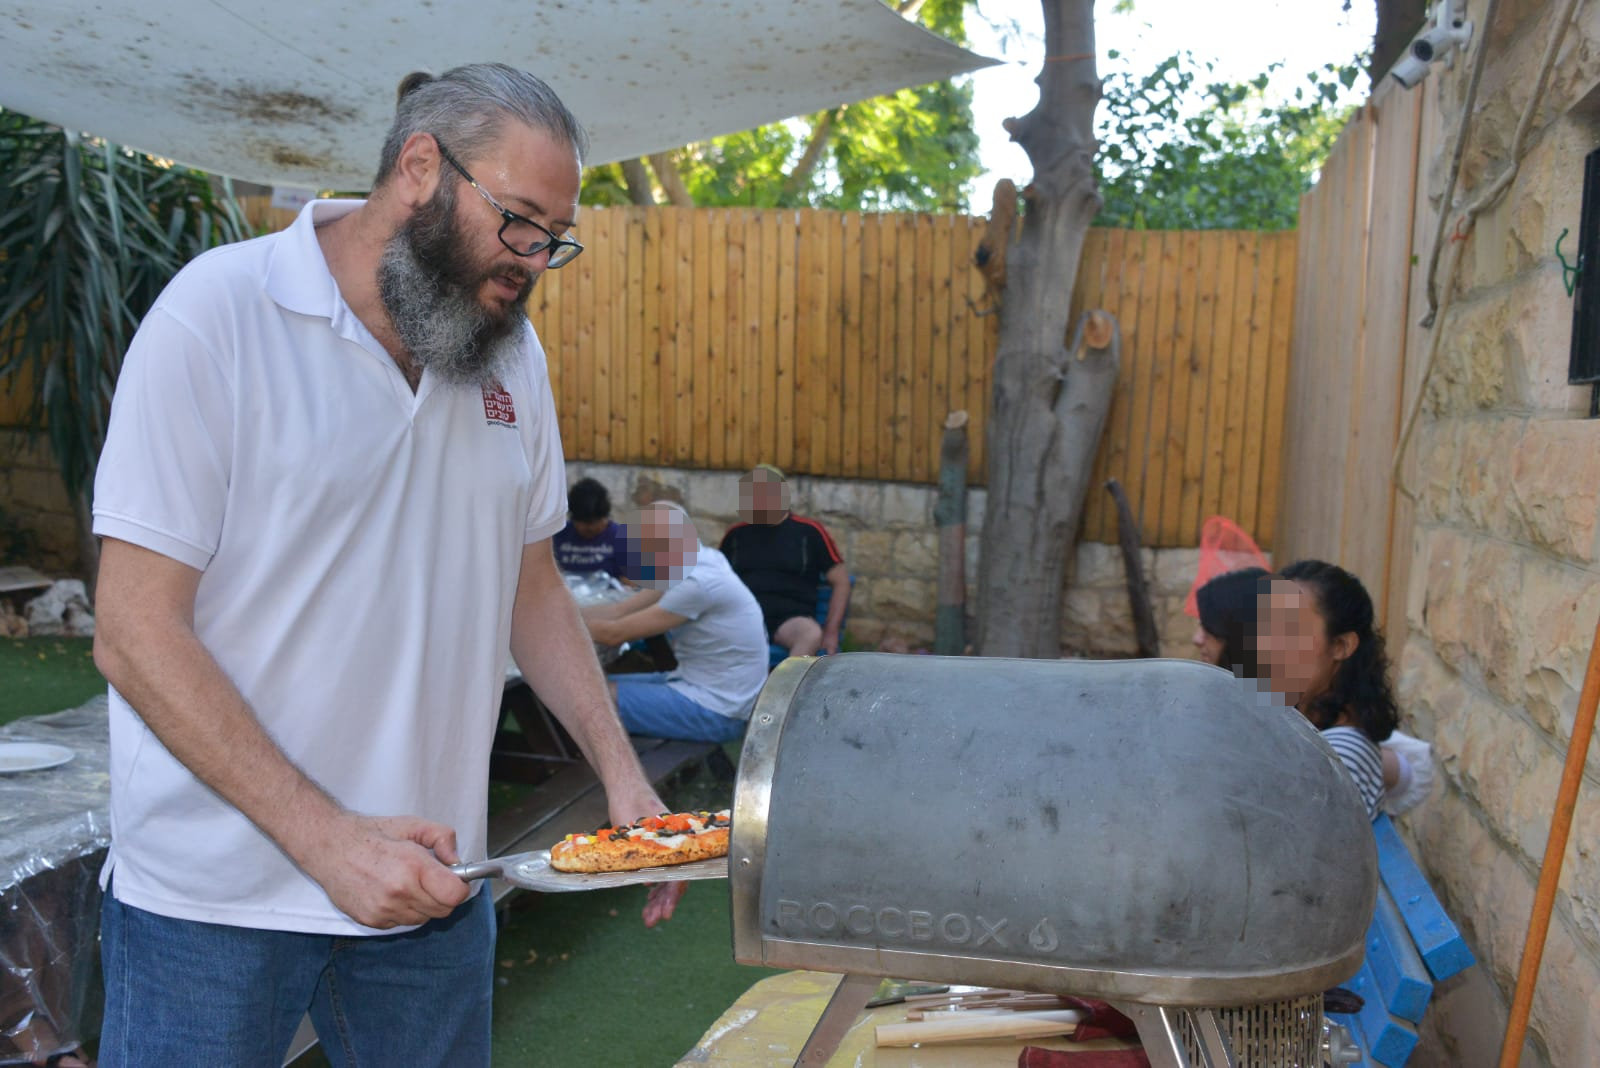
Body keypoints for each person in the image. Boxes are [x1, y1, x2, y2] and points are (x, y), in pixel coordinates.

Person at [88, 64, 681, 1067]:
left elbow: (531, 588)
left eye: (554, 237)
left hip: (436, 885)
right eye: (518, 221)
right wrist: (328, 840)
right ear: (419, 169)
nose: (534, 260)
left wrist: (623, 779)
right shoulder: (218, 314)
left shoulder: (509, 356)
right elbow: (132, 630)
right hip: (214, 900)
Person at [581, 503, 769, 743]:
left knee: (588, 697)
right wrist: (565, 612)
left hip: (719, 711)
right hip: (716, 693)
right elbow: (621, 610)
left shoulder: (696, 582)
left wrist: (557, 625)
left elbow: (614, 634)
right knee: (593, 686)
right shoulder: (702, 558)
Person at [719, 465, 851, 657]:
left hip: (791, 620)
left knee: (811, 634)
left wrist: (831, 632)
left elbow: (841, 581)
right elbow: (717, 579)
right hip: (744, 617)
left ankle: (788, 678)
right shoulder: (736, 535)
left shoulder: (809, 532)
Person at [552, 476, 627, 577]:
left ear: (605, 517)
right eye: (585, 523)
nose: (590, 528)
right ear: (573, 518)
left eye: (594, 522)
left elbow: (630, 581)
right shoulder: (558, 536)